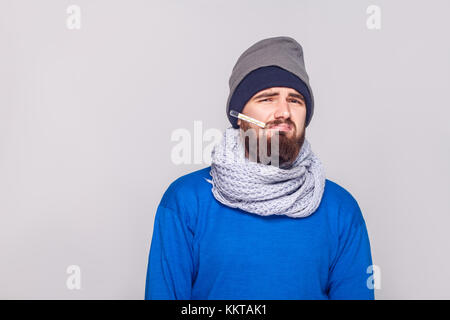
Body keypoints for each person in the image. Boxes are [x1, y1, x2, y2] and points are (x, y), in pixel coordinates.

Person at [145, 36, 374, 300]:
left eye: (296, 100)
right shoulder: (186, 201)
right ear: (239, 116)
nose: (284, 112)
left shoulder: (340, 209)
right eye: (267, 99)